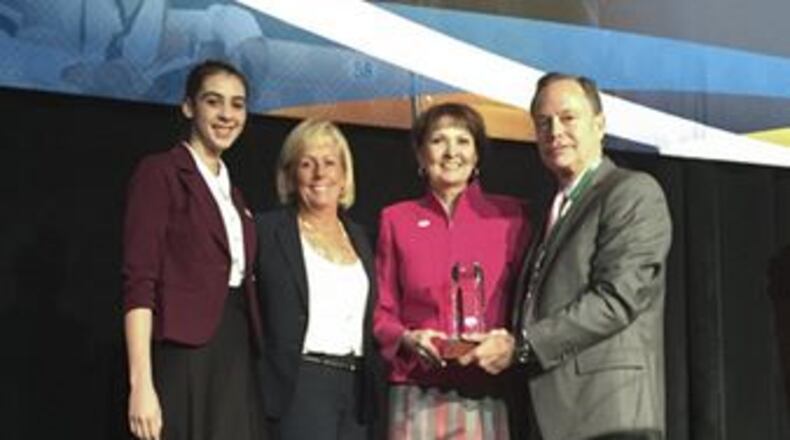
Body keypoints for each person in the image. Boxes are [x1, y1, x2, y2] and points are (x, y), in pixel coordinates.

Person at [476, 72, 672, 440]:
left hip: (608, 416)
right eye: (543, 123)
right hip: (550, 413)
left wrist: (523, 345)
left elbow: (616, 299)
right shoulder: (552, 207)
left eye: (568, 118)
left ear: (599, 125)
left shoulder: (633, 193)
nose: (554, 131)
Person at [122, 59, 263, 440]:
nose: (227, 115)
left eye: (237, 104)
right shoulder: (161, 173)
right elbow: (140, 281)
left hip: (234, 350)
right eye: (214, 101)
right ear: (188, 107)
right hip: (183, 351)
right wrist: (141, 384)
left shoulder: (234, 195)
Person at [373, 102, 531, 439]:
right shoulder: (396, 219)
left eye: (462, 140)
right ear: (420, 155)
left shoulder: (511, 217)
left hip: (488, 388)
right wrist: (407, 337)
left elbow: (531, 302)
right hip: (417, 388)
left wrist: (508, 343)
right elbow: (382, 311)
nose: (451, 152)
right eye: (438, 140)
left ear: (477, 156)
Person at [254, 119, 383, 439]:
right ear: (290, 175)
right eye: (307, 164)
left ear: (344, 174)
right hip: (300, 385)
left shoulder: (364, 239)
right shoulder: (266, 232)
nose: (320, 174)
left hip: (356, 389)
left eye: (329, 163)